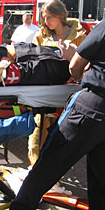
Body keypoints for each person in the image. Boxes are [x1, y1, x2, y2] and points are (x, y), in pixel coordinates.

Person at [10, 19, 105, 210]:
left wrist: (77, 77)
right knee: (101, 177)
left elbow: (76, 63)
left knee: (46, 168)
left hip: (93, 105)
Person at [28, 0, 86, 166]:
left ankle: (53, 169)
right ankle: (35, 166)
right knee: (38, 128)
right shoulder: (40, 35)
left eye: (50, 17)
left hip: (70, 89)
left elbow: (87, 61)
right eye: (44, 17)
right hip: (45, 87)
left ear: (60, 15)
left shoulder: (80, 36)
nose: (46, 22)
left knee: (62, 131)